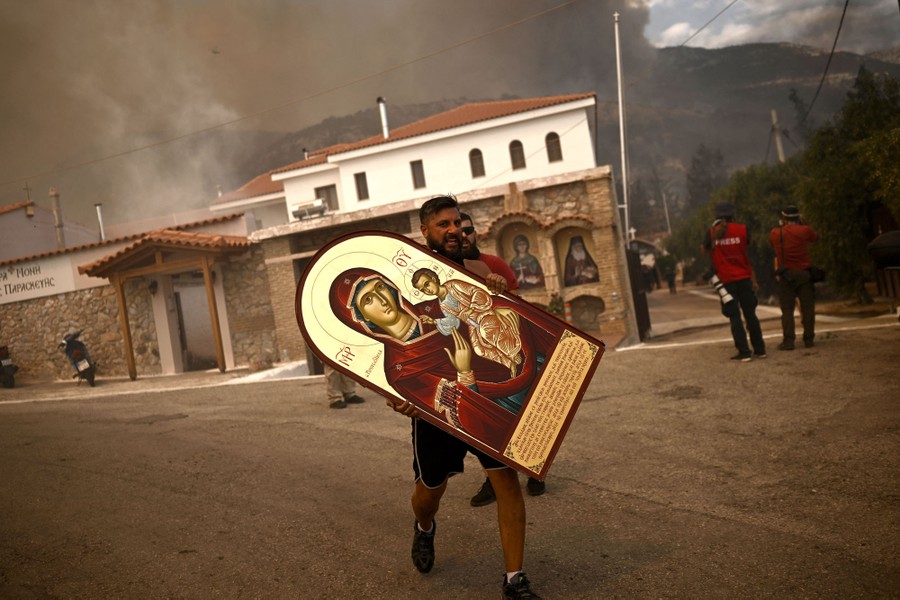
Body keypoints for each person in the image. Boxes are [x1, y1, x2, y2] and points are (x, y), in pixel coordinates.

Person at [335, 196, 543, 598]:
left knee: (507, 484)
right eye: (442, 225)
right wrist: (400, 397)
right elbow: (397, 381)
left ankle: (515, 580)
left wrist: (498, 297)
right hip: (437, 417)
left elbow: (503, 326)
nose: (452, 230)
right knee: (428, 494)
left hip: (488, 403)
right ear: (425, 232)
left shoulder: (477, 275)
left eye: (456, 223)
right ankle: (424, 527)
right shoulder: (400, 347)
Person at [458, 212, 547, 504]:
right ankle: (492, 480)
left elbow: (518, 309)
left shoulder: (494, 264)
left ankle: (536, 470)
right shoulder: (449, 269)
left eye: (468, 229)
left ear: (476, 233)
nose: (464, 235)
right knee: (490, 422)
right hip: (480, 356)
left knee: (526, 413)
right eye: (460, 229)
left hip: (510, 349)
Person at [412, 268, 523, 378]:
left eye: (427, 284)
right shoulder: (442, 304)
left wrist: (471, 309)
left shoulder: (453, 285)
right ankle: (509, 364)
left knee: (487, 332)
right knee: (479, 350)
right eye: (422, 290)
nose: (427, 290)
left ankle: (513, 354)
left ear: (433, 279)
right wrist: (434, 321)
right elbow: (453, 322)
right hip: (473, 326)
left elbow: (477, 292)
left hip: (483, 313)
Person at [702, 201, 766, 361]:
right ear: (733, 214)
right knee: (751, 314)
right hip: (744, 278)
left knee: (734, 317)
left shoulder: (711, 232)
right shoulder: (743, 229)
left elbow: (704, 249)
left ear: (717, 215)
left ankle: (744, 352)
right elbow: (748, 246)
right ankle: (760, 350)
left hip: (726, 281)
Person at [769, 204, 819, 350]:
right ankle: (809, 340)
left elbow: (773, 246)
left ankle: (789, 341)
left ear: (783, 218)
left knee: (787, 310)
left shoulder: (775, 233)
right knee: (808, 308)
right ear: (798, 217)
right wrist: (803, 224)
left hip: (786, 276)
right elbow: (815, 238)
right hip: (804, 274)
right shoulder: (805, 230)